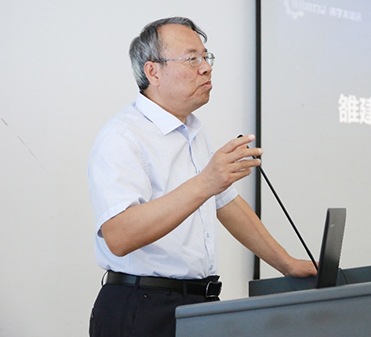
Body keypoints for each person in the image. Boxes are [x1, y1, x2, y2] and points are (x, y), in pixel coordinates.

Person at [88, 17, 316, 337]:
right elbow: (119, 236)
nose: (206, 68)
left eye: (206, 57)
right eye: (192, 59)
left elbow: (225, 203)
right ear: (153, 71)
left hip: (199, 304)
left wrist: (287, 264)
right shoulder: (123, 136)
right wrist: (206, 182)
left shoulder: (193, 129)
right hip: (143, 309)